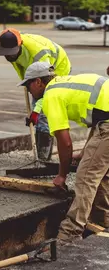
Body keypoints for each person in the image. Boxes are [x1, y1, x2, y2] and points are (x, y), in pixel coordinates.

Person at [18, 61, 109, 243]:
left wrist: (61, 175)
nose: (29, 92)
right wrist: (84, 153)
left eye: (28, 86)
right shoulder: (64, 83)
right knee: (101, 173)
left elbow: (64, 142)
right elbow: (98, 123)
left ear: (38, 82)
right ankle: (102, 221)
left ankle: (70, 233)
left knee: (86, 176)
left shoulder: (52, 95)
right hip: (104, 120)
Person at [0, 28, 71, 160]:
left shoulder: (38, 53)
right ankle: (39, 153)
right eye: (7, 54)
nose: (9, 56)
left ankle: (43, 158)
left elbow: (46, 89)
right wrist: (27, 84)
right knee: (38, 112)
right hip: (37, 73)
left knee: (45, 114)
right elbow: (22, 70)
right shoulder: (11, 53)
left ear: (19, 44)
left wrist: (37, 111)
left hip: (57, 69)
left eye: (12, 53)